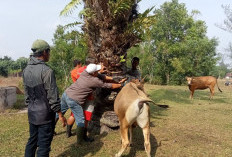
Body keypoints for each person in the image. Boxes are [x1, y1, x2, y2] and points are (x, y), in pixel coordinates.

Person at [58, 63, 126, 144]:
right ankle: (80, 141)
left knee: (59, 112)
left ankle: (55, 130)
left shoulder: (85, 72)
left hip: (66, 94)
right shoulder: (94, 81)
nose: (98, 72)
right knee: (81, 120)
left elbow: (101, 76)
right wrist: (120, 84)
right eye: (97, 71)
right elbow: (108, 86)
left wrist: (113, 78)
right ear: (93, 73)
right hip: (74, 99)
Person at [23, 39, 67, 157]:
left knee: (32, 141)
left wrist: (31, 106)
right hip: (45, 115)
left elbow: (26, 94)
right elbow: (52, 96)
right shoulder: (47, 71)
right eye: (49, 52)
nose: (49, 54)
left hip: (32, 112)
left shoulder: (26, 69)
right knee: (43, 145)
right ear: (44, 52)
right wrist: (60, 114)